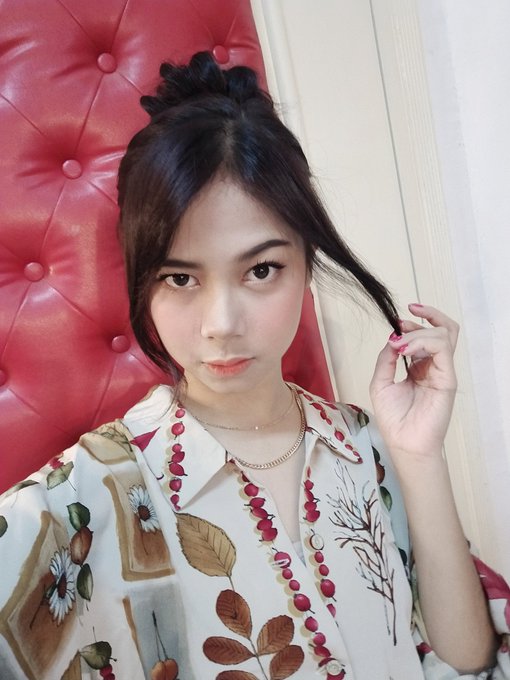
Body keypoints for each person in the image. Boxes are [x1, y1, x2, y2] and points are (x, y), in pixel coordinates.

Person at [0, 51, 508, 680]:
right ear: (142, 283)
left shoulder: (366, 445)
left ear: (306, 262)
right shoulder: (83, 498)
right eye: (180, 278)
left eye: (261, 270)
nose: (221, 323)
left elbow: (468, 661)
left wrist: (420, 458)